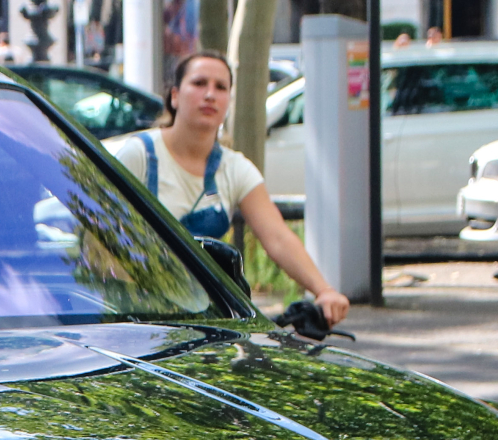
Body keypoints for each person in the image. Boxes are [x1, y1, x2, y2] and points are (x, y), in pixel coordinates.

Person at [106, 50, 351, 327]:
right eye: (199, 83)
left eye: (220, 87)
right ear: (174, 96)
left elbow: (278, 237)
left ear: (228, 102)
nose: (210, 94)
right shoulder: (139, 156)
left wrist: (324, 291)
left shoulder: (234, 168)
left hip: (203, 316)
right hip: (139, 314)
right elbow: (100, 240)